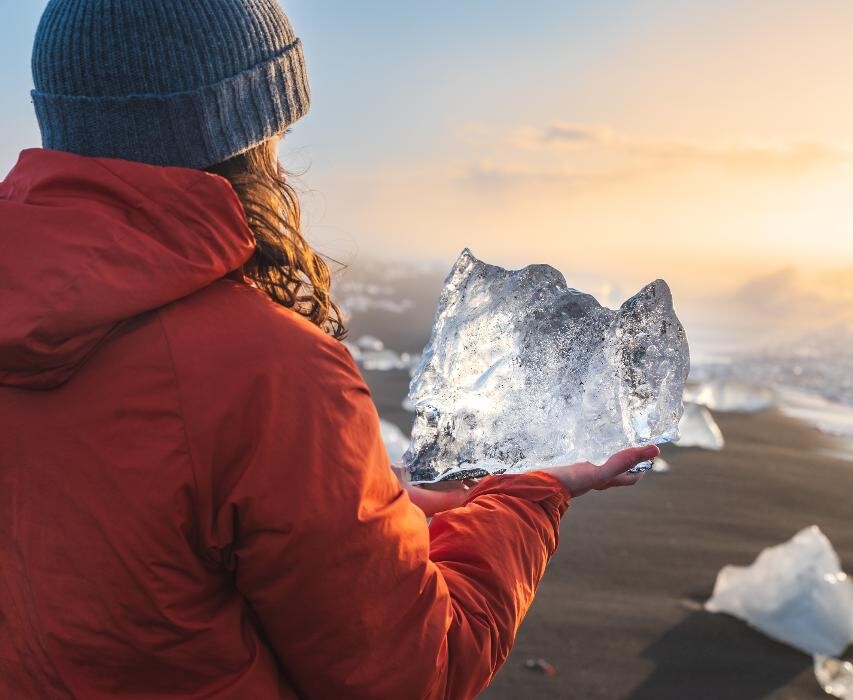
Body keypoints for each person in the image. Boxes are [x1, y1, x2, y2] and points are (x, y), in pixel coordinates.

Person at [0, 1, 656, 698]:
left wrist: (378, 507)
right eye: (277, 130)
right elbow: (414, 671)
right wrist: (530, 495)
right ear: (241, 132)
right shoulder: (269, 373)